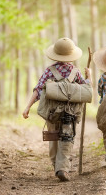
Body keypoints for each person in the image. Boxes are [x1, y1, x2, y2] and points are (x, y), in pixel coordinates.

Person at [23, 37, 92, 181]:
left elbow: (38, 90)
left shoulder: (49, 71)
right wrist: (89, 77)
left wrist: (27, 107)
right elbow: (85, 90)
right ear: (71, 55)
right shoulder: (76, 72)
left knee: (53, 137)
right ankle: (62, 168)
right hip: (70, 112)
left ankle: (56, 165)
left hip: (52, 112)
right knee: (67, 138)